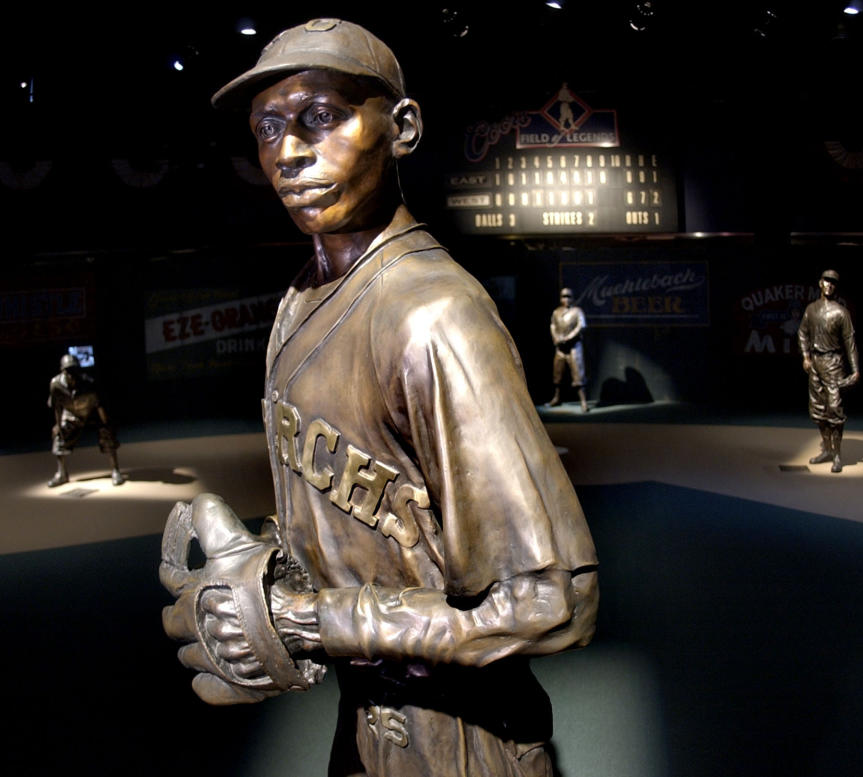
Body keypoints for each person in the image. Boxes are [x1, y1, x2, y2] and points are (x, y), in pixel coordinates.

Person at [159, 19, 598, 777]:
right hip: (369, 724)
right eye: (269, 127)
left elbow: (551, 598)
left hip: (467, 738)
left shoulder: (435, 315)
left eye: (322, 117)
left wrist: (305, 620)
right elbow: (378, 528)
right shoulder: (304, 297)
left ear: (401, 128)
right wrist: (262, 577)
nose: (290, 151)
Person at [798, 269, 859, 473]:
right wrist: (806, 357)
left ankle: (838, 455)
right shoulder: (811, 309)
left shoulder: (841, 312)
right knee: (818, 410)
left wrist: (855, 370)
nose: (829, 285)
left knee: (835, 410)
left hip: (833, 364)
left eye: (833, 282)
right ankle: (827, 449)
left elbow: (850, 342)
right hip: (815, 362)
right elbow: (802, 333)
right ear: (820, 283)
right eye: (826, 281)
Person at [47, 353, 124, 487]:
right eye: (68, 370)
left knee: (108, 434)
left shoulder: (88, 382)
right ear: (62, 371)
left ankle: (115, 470)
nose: (71, 374)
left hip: (91, 413)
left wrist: (105, 423)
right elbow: (57, 407)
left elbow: (99, 404)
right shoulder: (56, 385)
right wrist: (58, 425)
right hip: (71, 414)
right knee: (59, 437)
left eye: (74, 370)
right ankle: (62, 474)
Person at [547, 287, 589, 412]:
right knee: (557, 373)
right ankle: (557, 397)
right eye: (563, 296)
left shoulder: (577, 311)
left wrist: (567, 338)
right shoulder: (556, 312)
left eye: (568, 296)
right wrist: (555, 338)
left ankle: (583, 401)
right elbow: (553, 326)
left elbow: (581, 326)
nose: (566, 299)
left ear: (573, 298)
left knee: (578, 374)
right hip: (560, 348)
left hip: (574, 347)